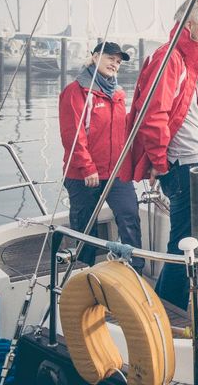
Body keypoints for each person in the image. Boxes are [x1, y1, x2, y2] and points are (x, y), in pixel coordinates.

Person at [122, 0, 198, 309]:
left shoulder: (181, 60)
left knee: (184, 242)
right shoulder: (171, 60)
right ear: (190, 26)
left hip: (193, 162)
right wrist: (161, 164)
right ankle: (169, 312)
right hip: (188, 165)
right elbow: (153, 115)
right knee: (185, 245)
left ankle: (165, 307)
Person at [59, 42, 143, 272]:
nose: (115, 64)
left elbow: (123, 133)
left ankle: (135, 270)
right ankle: (84, 271)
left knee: (129, 216)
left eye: (118, 61)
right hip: (83, 175)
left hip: (116, 172)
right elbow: (72, 135)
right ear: (95, 57)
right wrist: (87, 168)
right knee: (85, 226)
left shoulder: (117, 93)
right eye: (110, 58)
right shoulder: (75, 92)